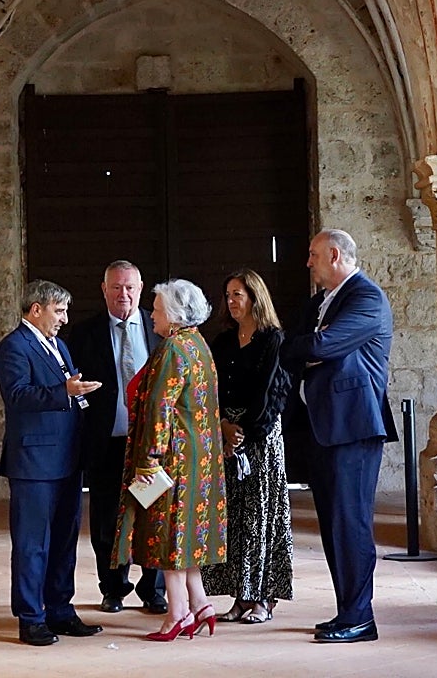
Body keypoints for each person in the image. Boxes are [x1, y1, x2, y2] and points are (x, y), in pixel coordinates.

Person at [280, 229, 397, 644]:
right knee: (333, 523)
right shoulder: (320, 301)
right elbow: (292, 341)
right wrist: (303, 349)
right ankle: (347, 609)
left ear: (333, 254)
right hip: (325, 428)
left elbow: (322, 345)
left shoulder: (366, 297)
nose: (308, 263)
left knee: (351, 523)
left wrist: (305, 349)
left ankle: (360, 617)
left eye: (313, 255)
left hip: (354, 428)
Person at [113, 279, 227, 641]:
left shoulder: (173, 349)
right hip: (199, 456)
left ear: (175, 315)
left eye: (158, 310)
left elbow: (159, 409)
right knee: (187, 532)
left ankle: (177, 614)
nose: (153, 317)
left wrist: (148, 461)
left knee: (167, 534)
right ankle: (201, 603)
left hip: (172, 458)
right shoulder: (198, 344)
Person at [0, 280, 104, 646]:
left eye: (65, 311)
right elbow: (18, 395)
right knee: (31, 543)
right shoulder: (13, 347)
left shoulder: (59, 345)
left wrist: (78, 393)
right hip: (34, 461)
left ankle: (60, 609)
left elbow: (69, 389)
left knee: (64, 539)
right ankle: (30, 617)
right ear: (35, 309)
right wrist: (65, 392)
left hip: (67, 457)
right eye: (59, 311)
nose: (64, 319)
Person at [65, 260, 167, 614]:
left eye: (130, 287)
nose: (123, 294)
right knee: (107, 519)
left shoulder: (160, 331)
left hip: (150, 445)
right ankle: (112, 588)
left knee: (153, 514)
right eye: (116, 287)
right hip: (106, 442)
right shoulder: (83, 333)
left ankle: (154, 590)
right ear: (104, 290)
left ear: (141, 289)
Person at [202, 269, 294, 625]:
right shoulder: (223, 341)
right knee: (234, 518)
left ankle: (263, 597)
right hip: (227, 434)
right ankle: (240, 595)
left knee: (261, 515)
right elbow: (210, 387)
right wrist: (223, 427)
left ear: (255, 297)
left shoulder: (273, 338)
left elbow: (272, 390)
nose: (232, 301)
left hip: (260, 435)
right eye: (228, 295)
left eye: (238, 294)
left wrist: (246, 432)